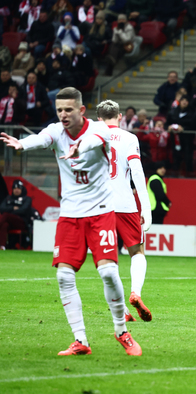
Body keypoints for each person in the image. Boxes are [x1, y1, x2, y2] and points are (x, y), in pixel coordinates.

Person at [0, 87, 141, 356]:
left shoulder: (99, 130)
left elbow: (92, 142)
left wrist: (79, 146)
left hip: (100, 213)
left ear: (81, 110)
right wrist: (22, 144)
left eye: (68, 110)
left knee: (108, 272)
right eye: (60, 110)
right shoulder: (55, 130)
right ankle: (80, 341)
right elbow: (41, 139)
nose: (63, 115)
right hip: (70, 216)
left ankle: (122, 331)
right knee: (64, 275)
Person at [96, 100, 153, 323]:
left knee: (107, 262)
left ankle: (121, 312)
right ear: (120, 117)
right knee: (137, 252)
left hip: (99, 206)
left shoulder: (92, 136)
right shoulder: (129, 138)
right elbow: (137, 172)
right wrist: (145, 206)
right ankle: (135, 293)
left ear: (99, 118)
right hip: (125, 204)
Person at [0, 180, 32, 250]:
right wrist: (13, 208)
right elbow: (1, 208)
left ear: (22, 189)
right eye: (15, 188)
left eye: (18, 188)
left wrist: (9, 211)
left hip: (22, 222)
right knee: (5, 224)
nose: (16, 190)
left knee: (5, 215)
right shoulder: (8, 198)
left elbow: (24, 210)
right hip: (9, 221)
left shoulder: (27, 199)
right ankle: (2, 247)